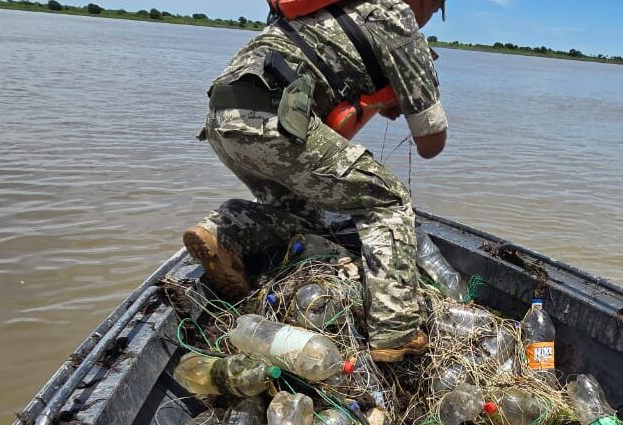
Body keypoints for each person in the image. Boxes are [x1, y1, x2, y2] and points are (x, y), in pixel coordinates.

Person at [183, 0, 447, 363]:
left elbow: (328, 107)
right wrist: (404, 93)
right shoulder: (398, 16)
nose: (431, 18)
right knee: (386, 199)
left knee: (306, 224)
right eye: (437, 9)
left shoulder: (336, 9)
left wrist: (372, 99)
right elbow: (432, 142)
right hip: (274, 122)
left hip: (223, 116)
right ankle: (395, 329)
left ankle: (226, 229)